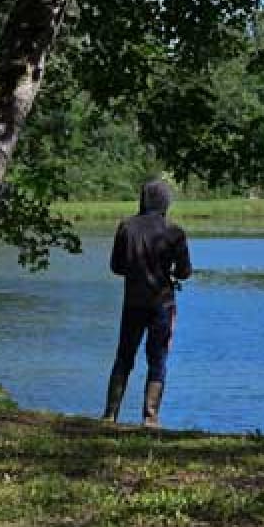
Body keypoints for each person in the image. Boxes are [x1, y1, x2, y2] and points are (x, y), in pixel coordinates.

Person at [103, 180, 192, 427]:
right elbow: (185, 272)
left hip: (132, 302)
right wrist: (171, 273)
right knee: (158, 359)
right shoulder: (174, 232)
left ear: (142, 199)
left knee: (124, 357)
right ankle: (150, 418)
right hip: (162, 304)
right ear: (166, 202)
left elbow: (116, 267)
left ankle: (110, 415)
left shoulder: (126, 227)